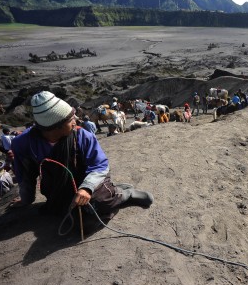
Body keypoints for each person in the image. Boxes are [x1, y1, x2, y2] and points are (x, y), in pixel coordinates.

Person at [9, 91, 153, 224]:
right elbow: (25, 174)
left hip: (89, 179)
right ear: (55, 126)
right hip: (59, 186)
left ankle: (124, 194)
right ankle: (112, 191)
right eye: (70, 119)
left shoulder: (82, 136)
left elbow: (99, 165)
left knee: (99, 203)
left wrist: (87, 188)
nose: (75, 121)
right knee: (68, 215)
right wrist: (26, 199)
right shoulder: (23, 144)